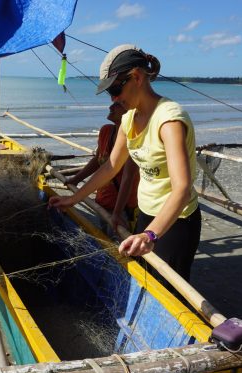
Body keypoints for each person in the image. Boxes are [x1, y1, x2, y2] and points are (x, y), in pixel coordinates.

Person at [49, 44, 201, 281]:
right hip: (146, 213)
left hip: (176, 220)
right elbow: (110, 166)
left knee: (172, 291)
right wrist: (73, 199)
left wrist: (150, 235)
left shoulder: (169, 120)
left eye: (116, 89)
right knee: (146, 281)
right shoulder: (129, 119)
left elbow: (182, 188)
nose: (114, 98)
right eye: (110, 93)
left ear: (137, 77)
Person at [66, 102, 139, 237]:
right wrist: (76, 179)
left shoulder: (133, 139)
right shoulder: (106, 131)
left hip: (122, 207)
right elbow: (97, 160)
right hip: (102, 201)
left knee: (120, 247)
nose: (110, 107)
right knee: (105, 238)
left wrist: (117, 212)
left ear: (129, 112)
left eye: (117, 105)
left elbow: (128, 179)